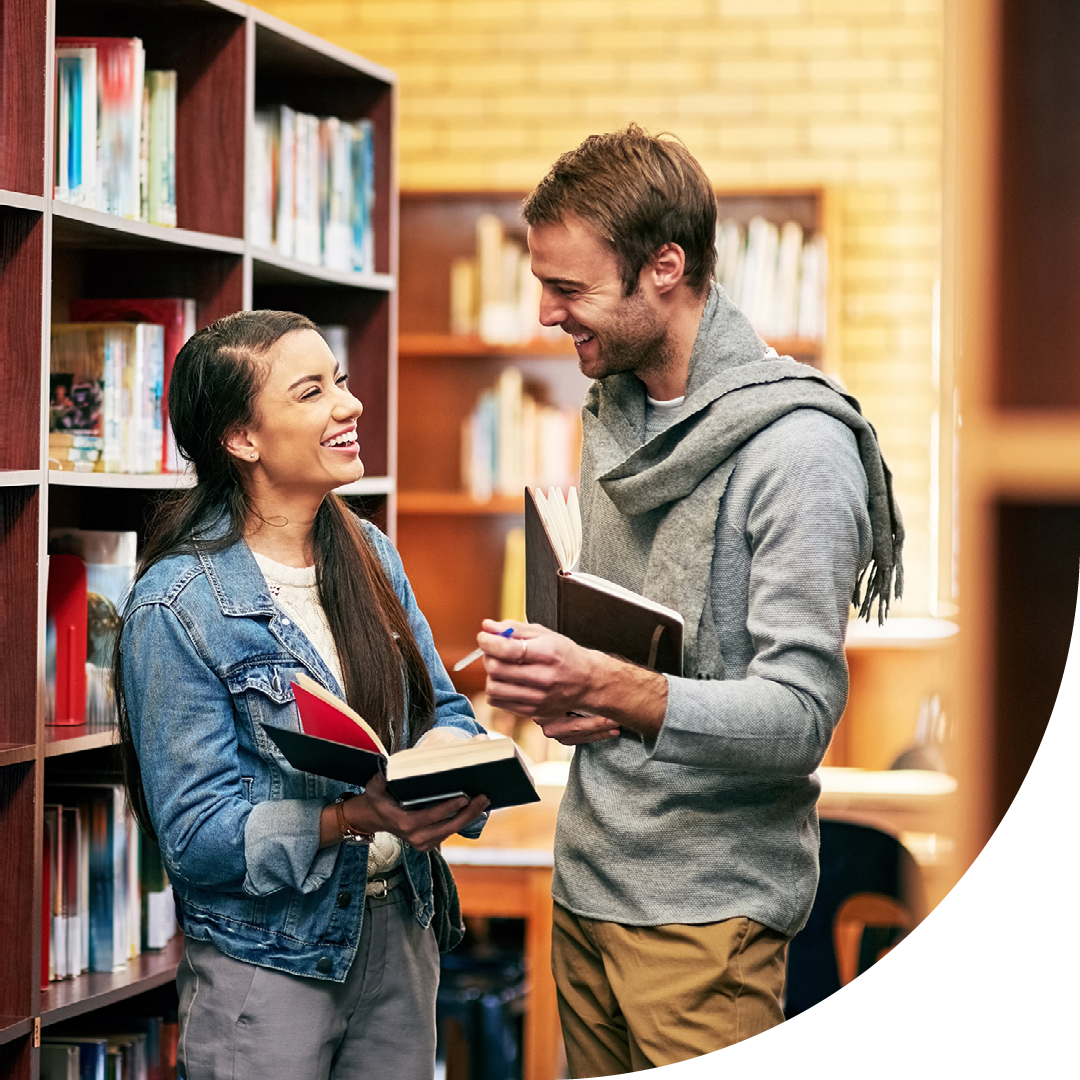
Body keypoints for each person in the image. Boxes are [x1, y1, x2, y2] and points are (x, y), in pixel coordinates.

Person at [476, 125, 904, 1076]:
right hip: (586, 879)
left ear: (664, 267)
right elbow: (637, 651)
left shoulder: (798, 448)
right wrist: (574, 691)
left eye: (569, 289)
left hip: (708, 912)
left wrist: (614, 687)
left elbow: (798, 719)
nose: (545, 313)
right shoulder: (613, 412)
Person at [114, 310, 490, 1080]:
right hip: (270, 960)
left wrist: (449, 767)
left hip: (400, 931)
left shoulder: (371, 554)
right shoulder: (175, 605)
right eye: (312, 392)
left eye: (341, 383)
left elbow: (443, 710)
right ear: (242, 439)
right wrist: (352, 815)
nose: (347, 406)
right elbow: (193, 837)